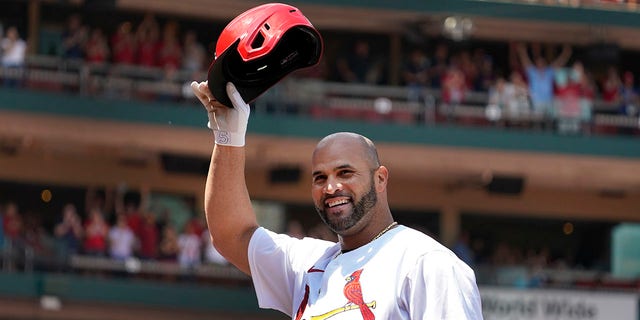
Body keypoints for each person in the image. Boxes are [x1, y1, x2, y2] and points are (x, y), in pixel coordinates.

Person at [190, 80, 483, 319]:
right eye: (320, 178)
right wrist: (228, 137)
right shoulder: (309, 264)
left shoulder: (426, 263)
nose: (331, 187)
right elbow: (232, 235)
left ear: (380, 179)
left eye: (345, 173)